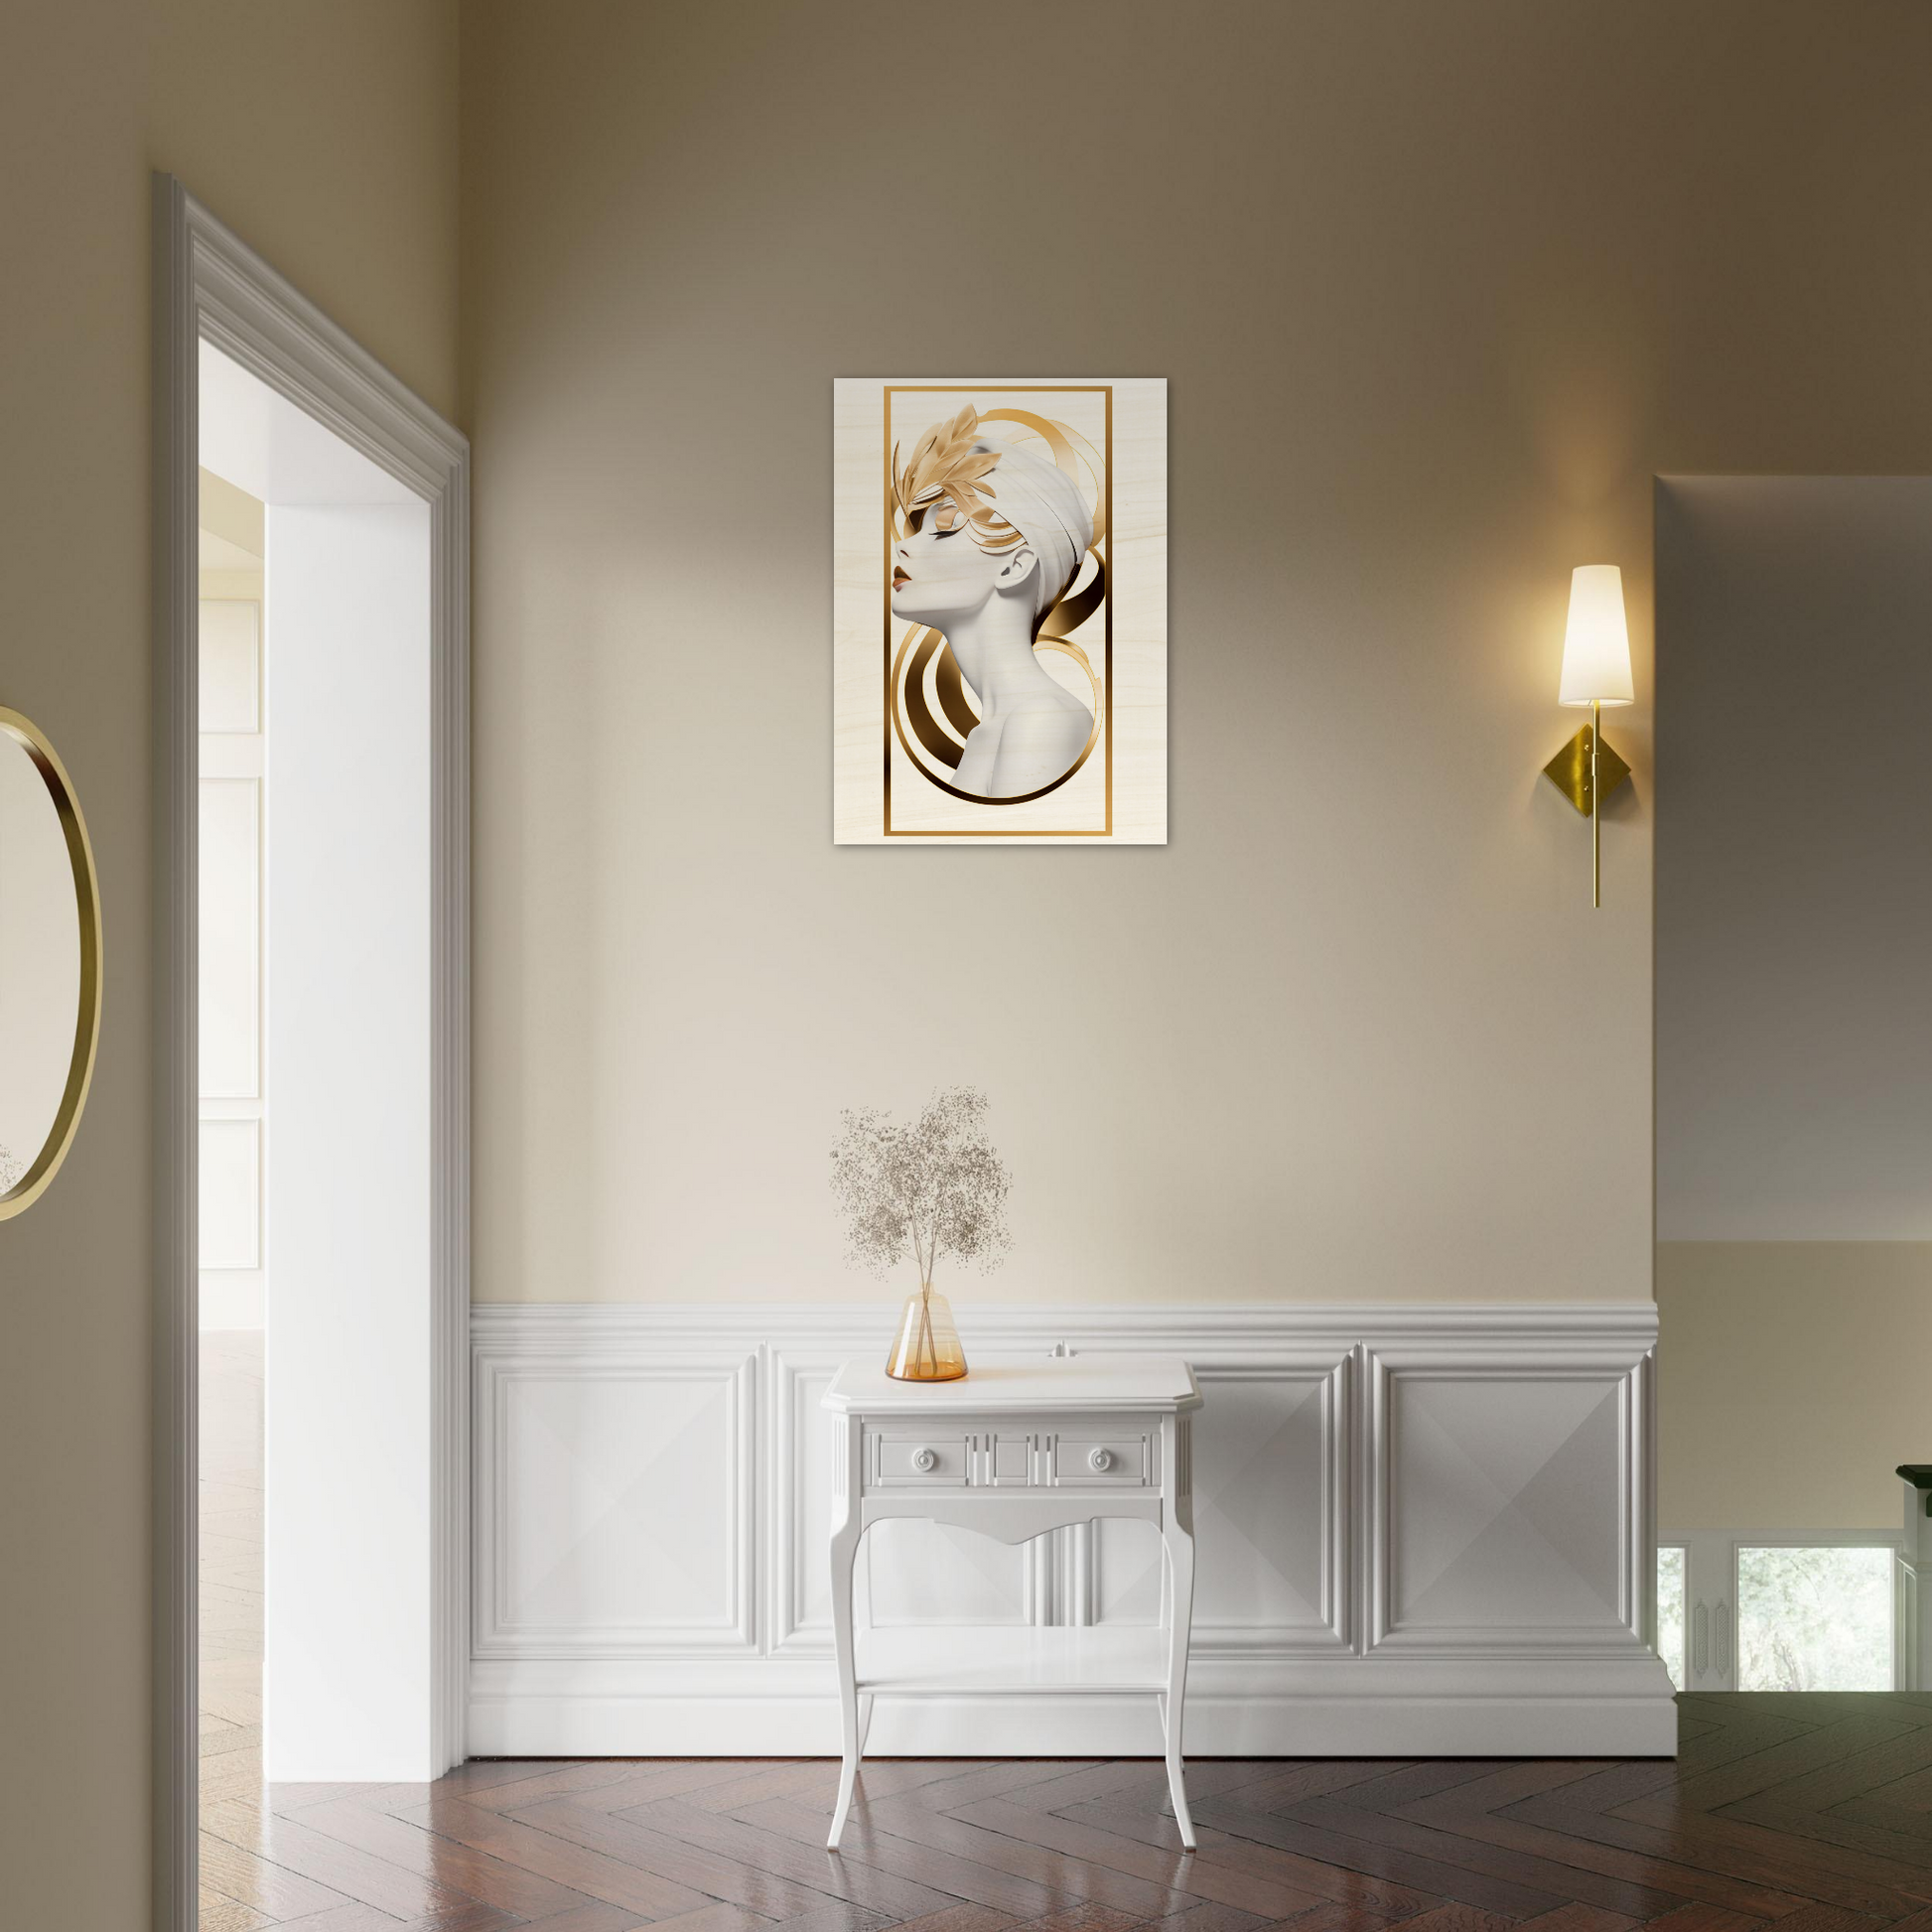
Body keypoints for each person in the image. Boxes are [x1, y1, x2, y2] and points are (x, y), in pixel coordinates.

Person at [892, 406, 1094, 798]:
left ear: (1015, 566)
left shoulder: (1044, 720)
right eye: (918, 528)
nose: (902, 546)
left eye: (946, 527)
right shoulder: (991, 731)